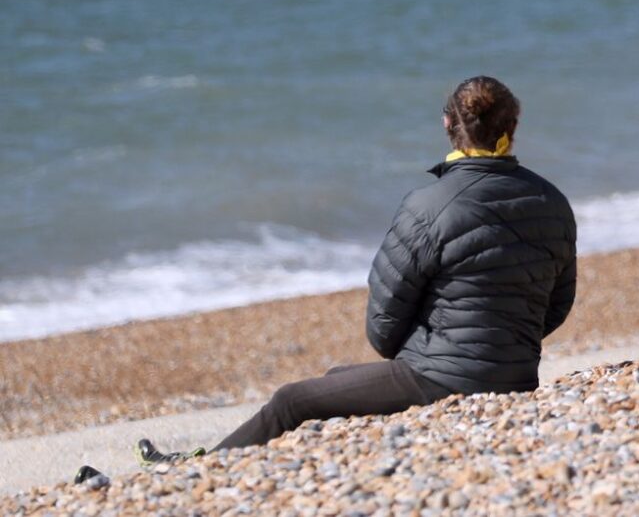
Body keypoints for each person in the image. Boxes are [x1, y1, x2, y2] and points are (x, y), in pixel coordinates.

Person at [121, 75, 577, 467]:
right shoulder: (552, 201)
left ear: (447, 125)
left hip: (446, 379)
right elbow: (556, 306)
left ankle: (197, 472)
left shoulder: (427, 206)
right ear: (512, 128)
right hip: (517, 375)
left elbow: (383, 326)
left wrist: (429, 354)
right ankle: (276, 463)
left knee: (292, 399)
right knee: (337, 380)